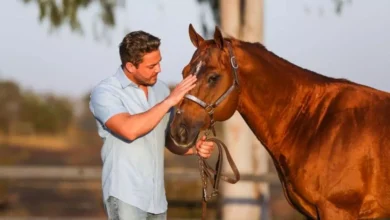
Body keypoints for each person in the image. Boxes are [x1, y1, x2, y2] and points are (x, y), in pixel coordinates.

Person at [89, 30, 215, 220]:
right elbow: (129, 130)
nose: (159, 69)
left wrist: (193, 149)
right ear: (131, 66)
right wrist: (169, 101)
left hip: (157, 200)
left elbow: (166, 140)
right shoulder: (106, 92)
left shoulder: (161, 89)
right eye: (151, 66)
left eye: (159, 62)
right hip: (125, 196)